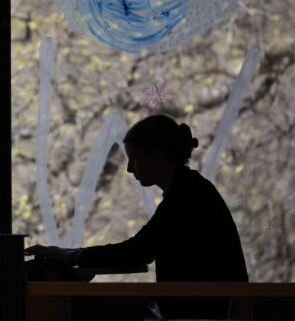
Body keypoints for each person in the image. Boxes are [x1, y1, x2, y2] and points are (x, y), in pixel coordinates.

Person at [25, 114, 248, 319]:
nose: (130, 169)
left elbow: (137, 251)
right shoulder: (191, 190)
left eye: (135, 159)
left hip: (203, 314)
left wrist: (71, 257)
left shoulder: (185, 197)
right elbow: (140, 249)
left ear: (158, 154)